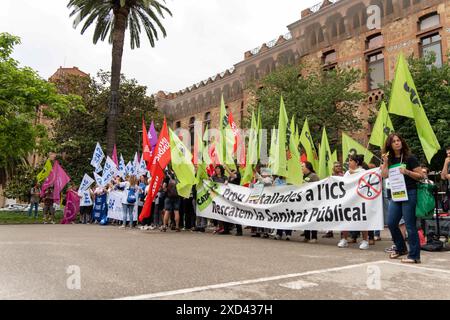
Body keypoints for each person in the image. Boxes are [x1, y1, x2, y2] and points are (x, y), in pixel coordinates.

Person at [382, 133, 424, 264]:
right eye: (394, 141)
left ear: (402, 142)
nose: (397, 143)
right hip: (396, 193)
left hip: (409, 192)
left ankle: (414, 256)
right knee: (391, 222)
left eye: (398, 140)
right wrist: (385, 163)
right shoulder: (390, 159)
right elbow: (384, 175)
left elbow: (421, 175)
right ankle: (401, 248)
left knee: (410, 225)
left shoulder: (409, 158)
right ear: (390, 145)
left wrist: (407, 172)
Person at [337, 154, 372, 250]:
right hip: (348, 200)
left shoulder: (363, 172)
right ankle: (344, 239)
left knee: (362, 220)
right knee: (345, 219)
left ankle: (365, 240)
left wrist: (355, 174)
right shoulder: (347, 173)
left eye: (351, 161)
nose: (349, 162)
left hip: (360, 200)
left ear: (356, 162)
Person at [302, 162, 320, 243]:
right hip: (305, 201)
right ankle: (306, 236)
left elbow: (317, 188)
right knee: (306, 219)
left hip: (313, 201)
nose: (301, 168)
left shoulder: (314, 176)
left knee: (312, 219)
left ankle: (314, 237)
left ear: (307, 167)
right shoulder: (302, 176)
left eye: (302, 166)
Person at [273, 176, 292, 241]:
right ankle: (279, 233)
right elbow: (275, 188)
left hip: (288, 200)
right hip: (279, 201)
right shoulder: (277, 179)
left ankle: (288, 234)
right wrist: (285, 186)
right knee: (280, 217)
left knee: (288, 217)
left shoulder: (290, 178)